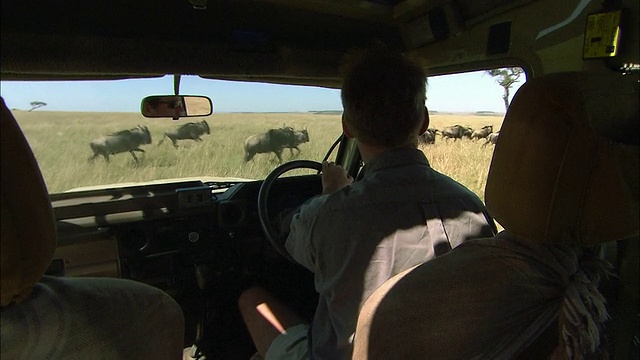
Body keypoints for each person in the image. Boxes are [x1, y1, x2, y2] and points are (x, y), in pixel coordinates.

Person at [237, 51, 498, 360]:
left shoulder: (326, 214)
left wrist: (331, 193)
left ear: (347, 126)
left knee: (251, 299)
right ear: (424, 121)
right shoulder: (470, 206)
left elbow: (291, 243)